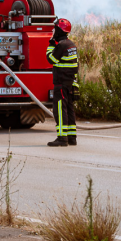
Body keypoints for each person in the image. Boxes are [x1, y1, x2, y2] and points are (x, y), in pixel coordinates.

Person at [47, 17, 79, 147]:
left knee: (60, 109)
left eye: (55, 29)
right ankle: (72, 137)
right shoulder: (71, 45)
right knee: (69, 109)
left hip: (61, 82)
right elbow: (75, 66)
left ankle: (62, 138)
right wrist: (75, 84)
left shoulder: (61, 46)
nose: (54, 31)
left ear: (60, 31)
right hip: (70, 82)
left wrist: (50, 45)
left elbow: (50, 59)